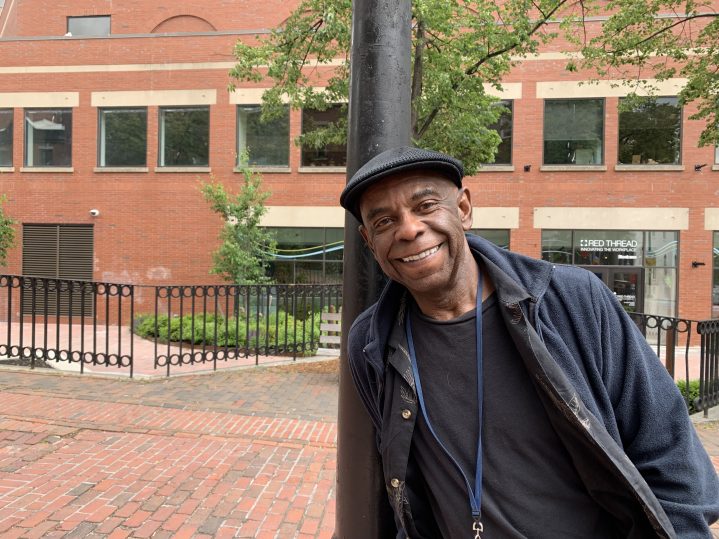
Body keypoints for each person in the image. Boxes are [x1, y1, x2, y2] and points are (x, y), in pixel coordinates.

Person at [339, 146, 719, 538]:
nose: (408, 229)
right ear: (370, 241)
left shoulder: (573, 300)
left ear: (464, 209)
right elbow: (399, 489)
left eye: (426, 205)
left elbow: (673, 460)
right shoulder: (372, 343)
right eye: (384, 221)